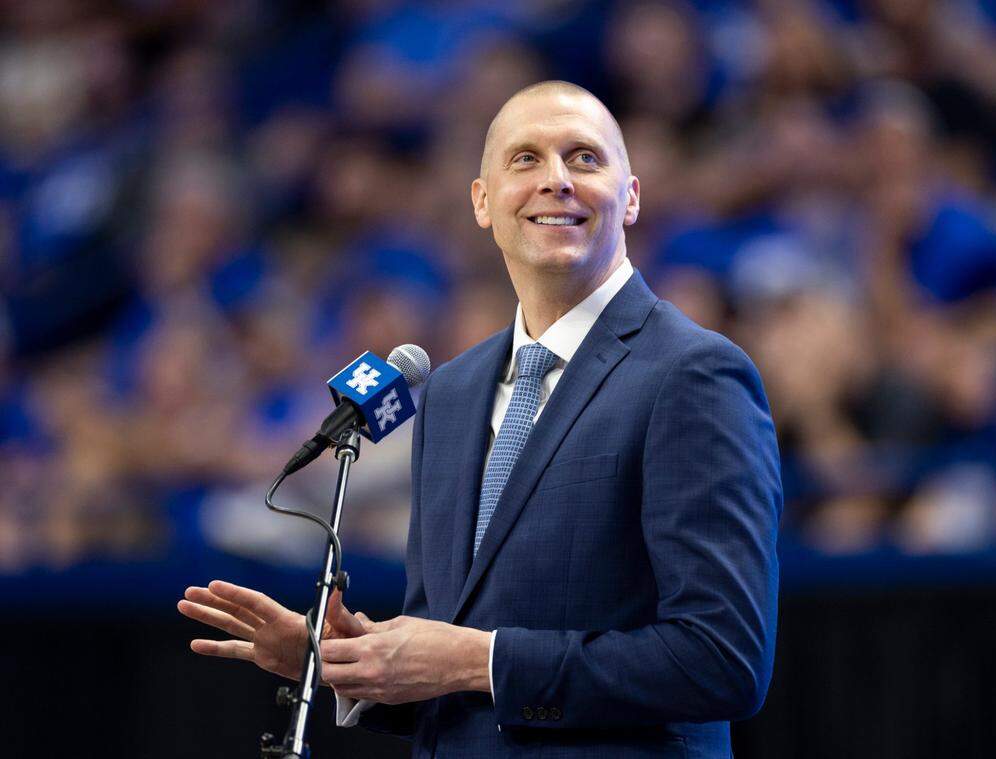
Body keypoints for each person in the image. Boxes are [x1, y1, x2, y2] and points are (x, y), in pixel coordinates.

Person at [178, 81, 782, 758]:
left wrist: (476, 658)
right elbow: (451, 664)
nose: (556, 179)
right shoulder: (448, 393)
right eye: (525, 159)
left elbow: (723, 657)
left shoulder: (694, 375)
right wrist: (351, 661)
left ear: (631, 196)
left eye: (584, 158)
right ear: (483, 202)